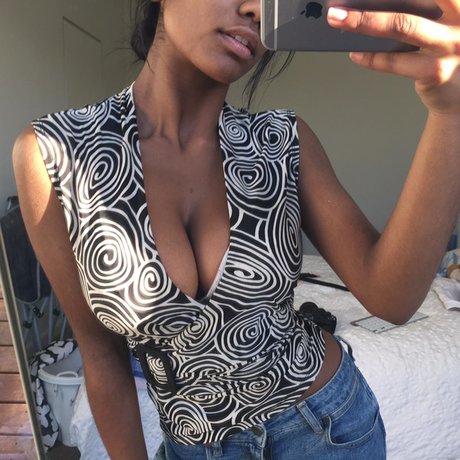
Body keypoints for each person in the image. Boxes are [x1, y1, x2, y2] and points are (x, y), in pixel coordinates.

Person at [11, 0, 460, 458]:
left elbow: (392, 299)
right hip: (194, 446)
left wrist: (450, 115)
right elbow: (101, 354)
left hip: (326, 427)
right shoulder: (55, 154)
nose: (255, 9)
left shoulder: (282, 141)